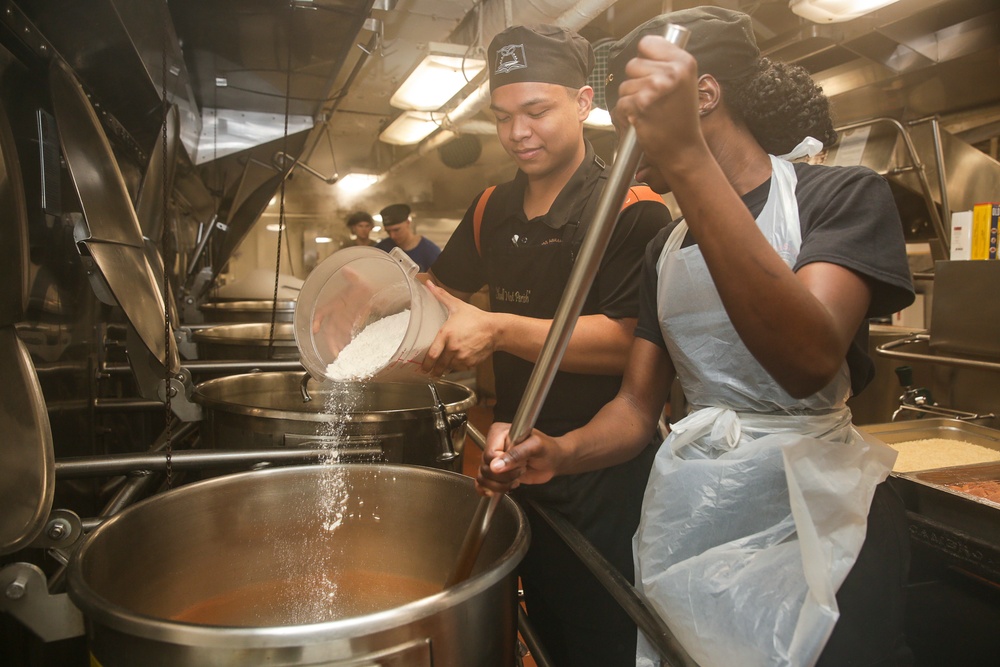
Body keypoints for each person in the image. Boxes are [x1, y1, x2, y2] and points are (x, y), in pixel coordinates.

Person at [479, 7, 916, 667]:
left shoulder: (843, 197)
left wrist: (684, 154)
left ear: (700, 96)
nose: (628, 139)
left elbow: (807, 360)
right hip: (702, 521)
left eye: (636, 120)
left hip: (822, 521)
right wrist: (561, 451)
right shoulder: (666, 248)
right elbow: (635, 409)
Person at [423, 24, 673, 667]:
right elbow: (437, 293)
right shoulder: (490, 206)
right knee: (523, 622)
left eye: (537, 111)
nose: (518, 133)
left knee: (599, 633)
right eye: (503, 117)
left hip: (603, 465)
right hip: (510, 449)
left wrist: (498, 328)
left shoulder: (633, 208)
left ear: (584, 102)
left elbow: (626, 343)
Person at [375, 203, 441, 271]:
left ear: (408, 222)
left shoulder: (430, 251)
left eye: (396, 230)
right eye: (388, 231)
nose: (392, 236)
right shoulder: (381, 249)